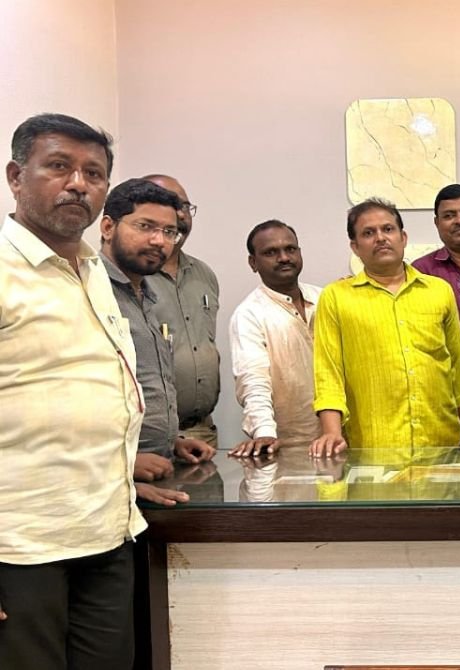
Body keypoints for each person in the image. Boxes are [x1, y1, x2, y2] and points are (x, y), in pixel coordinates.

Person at [0, 113, 186, 670]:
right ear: (16, 176)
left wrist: (121, 474)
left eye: (94, 173)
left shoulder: (91, 270)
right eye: (59, 166)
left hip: (105, 532)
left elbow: (86, 394)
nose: (78, 184)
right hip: (22, 545)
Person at [311, 198, 460, 459]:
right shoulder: (336, 297)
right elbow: (328, 374)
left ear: (403, 237)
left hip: (442, 447)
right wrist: (332, 433)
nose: (380, 238)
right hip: (374, 453)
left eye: (388, 229)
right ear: (355, 247)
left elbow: (457, 368)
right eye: (368, 233)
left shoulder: (438, 291)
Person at [99, 178, 217, 479]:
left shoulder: (144, 295)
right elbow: (69, 399)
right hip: (108, 477)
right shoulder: (89, 290)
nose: (159, 241)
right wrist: (122, 463)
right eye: (145, 226)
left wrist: (173, 440)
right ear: (108, 227)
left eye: (168, 232)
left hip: (158, 464)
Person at [229, 220, 322, 457]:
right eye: (271, 252)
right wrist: (264, 432)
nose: (284, 258)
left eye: (290, 249)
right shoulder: (249, 314)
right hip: (287, 447)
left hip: (342, 440)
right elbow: (253, 379)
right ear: (253, 262)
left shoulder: (325, 299)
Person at [143, 174, 222, 448]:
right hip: (149, 438)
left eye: (185, 206)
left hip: (203, 433)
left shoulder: (203, 274)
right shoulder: (127, 276)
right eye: (169, 204)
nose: (179, 214)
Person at [412, 184, 460, 425]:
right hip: (444, 405)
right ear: (437, 223)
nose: (459, 221)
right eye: (449, 215)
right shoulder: (419, 273)